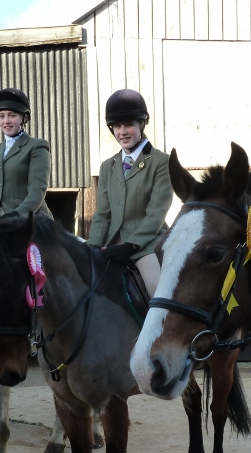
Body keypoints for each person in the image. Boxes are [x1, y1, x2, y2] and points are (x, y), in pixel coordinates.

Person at [87, 89, 172, 298]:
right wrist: (91, 248)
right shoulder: (107, 167)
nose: (122, 132)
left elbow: (156, 214)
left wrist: (130, 245)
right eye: (117, 126)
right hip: (112, 244)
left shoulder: (161, 161)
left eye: (128, 125)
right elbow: (103, 214)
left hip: (147, 245)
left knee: (159, 296)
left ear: (141, 125)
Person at [0, 87, 53, 221]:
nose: (6, 120)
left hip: (28, 219)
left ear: (23, 118)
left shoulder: (37, 146)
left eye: (12, 115)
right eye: (1, 116)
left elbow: (37, 192)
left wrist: (15, 216)